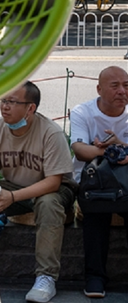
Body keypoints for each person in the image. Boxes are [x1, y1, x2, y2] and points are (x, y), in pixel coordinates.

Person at [0, 81, 76, 303]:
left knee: (48, 203)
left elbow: (53, 182)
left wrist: (11, 197)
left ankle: (46, 277)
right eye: (3, 100)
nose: (4, 107)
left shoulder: (51, 133)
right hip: (15, 188)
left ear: (30, 108)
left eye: (12, 102)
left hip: (54, 190)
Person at [69, 66, 128, 298]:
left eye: (126, 85)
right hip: (93, 183)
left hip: (126, 183)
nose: (122, 91)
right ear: (99, 89)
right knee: (96, 213)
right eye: (115, 86)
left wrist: (122, 149)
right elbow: (80, 149)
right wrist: (107, 152)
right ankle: (95, 277)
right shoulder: (82, 111)